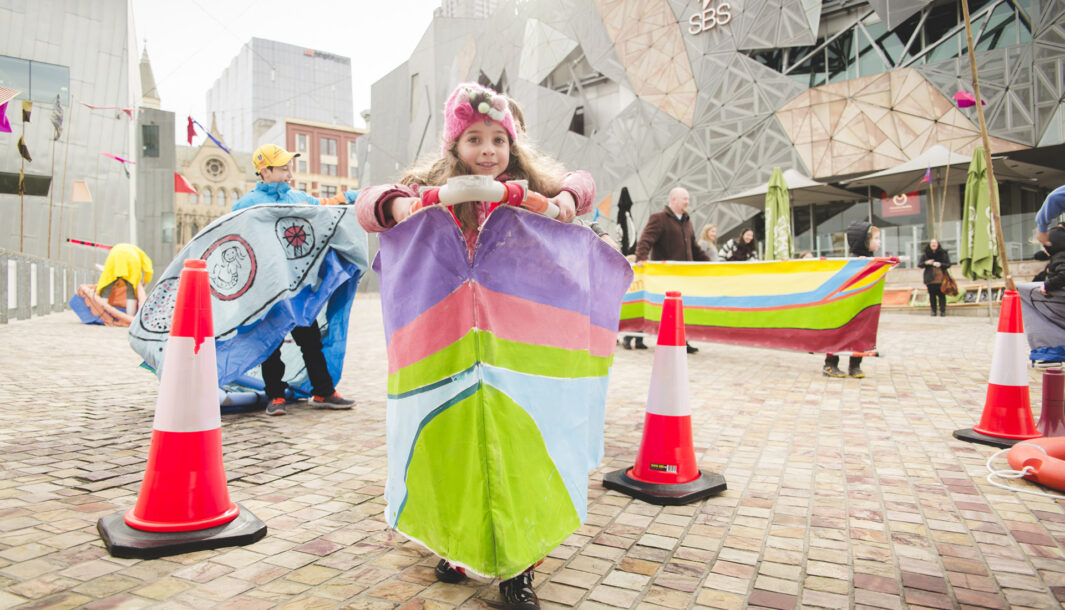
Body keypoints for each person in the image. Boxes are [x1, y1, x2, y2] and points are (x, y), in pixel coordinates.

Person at [355, 82, 594, 610]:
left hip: (515, 345)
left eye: (497, 140)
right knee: (453, 444)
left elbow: (582, 183)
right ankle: (455, 543)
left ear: (512, 147)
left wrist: (561, 202)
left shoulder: (525, 185)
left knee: (516, 448)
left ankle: (517, 567)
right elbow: (368, 205)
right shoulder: (431, 189)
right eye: (473, 139)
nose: (488, 151)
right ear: (453, 147)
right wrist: (398, 206)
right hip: (448, 349)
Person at [232, 143, 357, 415]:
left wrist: (355, 196)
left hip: (298, 287)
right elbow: (233, 243)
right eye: (283, 166)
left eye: (290, 165)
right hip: (266, 290)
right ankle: (275, 396)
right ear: (264, 170)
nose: (289, 170)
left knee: (310, 340)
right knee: (271, 343)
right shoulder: (246, 206)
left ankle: (323, 392)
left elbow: (326, 207)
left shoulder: (299, 197)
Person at [633, 187, 709, 354]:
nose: (687, 202)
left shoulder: (687, 221)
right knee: (659, 307)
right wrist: (641, 258)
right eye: (684, 199)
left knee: (682, 309)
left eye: (688, 199)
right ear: (673, 199)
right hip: (666, 275)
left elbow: (694, 247)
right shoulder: (659, 219)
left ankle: (682, 340)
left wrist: (710, 264)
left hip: (684, 275)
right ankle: (634, 335)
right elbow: (646, 239)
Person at [823, 220, 881, 378]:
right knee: (840, 333)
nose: (879, 242)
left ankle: (855, 366)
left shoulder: (873, 260)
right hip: (847, 306)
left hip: (863, 306)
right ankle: (830, 364)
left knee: (860, 334)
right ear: (864, 240)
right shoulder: (854, 261)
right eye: (875, 238)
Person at [918, 238, 952, 316]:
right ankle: (933, 311)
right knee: (932, 295)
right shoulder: (926, 254)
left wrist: (941, 264)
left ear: (938, 244)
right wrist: (926, 262)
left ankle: (942, 311)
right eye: (932, 243)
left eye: (935, 243)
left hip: (941, 277)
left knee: (941, 295)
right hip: (930, 278)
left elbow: (948, 264)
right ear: (929, 245)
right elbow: (920, 264)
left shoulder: (943, 253)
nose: (933, 245)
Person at [1040, 226, 1065, 295]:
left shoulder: (1060, 256)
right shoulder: (1057, 256)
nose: (1045, 250)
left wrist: (1047, 286)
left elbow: (1063, 276)